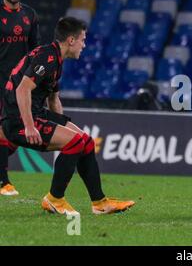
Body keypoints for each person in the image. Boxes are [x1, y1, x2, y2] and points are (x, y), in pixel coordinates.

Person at [0, 16, 135, 215]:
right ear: (71, 40)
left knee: (86, 142)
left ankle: (100, 203)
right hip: (18, 120)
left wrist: (60, 126)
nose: (84, 45)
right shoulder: (47, 58)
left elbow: (54, 101)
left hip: (35, 112)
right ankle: (54, 198)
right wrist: (29, 126)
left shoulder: (55, 59)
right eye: (83, 39)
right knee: (75, 142)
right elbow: (22, 90)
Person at [0, 0, 40, 196]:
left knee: (13, 133)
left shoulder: (30, 15)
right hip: (0, 81)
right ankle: (3, 181)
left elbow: (35, 49)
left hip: (20, 84)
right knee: (3, 130)